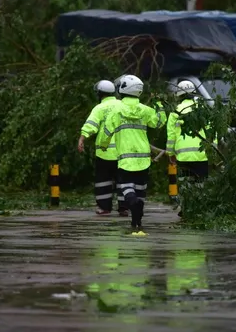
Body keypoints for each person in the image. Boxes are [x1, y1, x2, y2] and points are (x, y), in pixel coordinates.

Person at [100, 75, 166, 230]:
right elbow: (160, 122)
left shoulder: (116, 110)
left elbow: (106, 131)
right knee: (140, 190)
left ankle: (133, 204)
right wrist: (159, 104)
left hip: (126, 158)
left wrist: (103, 145)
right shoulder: (145, 110)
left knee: (126, 187)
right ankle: (137, 222)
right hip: (144, 158)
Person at [78, 80, 126, 216]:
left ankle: (104, 208)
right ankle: (124, 208)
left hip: (104, 153)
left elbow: (91, 125)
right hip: (122, 152)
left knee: (103, 181)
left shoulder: (99, 108)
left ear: (99, 93)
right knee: (123, 181)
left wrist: (82, 138)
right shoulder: (122, 105)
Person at [166, 80, 210, 181]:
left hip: (183, 157)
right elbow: (212, 132)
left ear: (179, 95)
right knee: (201, 189)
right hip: (201, 156)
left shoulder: (175, 112)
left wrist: (170, 154)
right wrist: (213, 151)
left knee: (185, 189)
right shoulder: (203, 109)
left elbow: (171, 137)